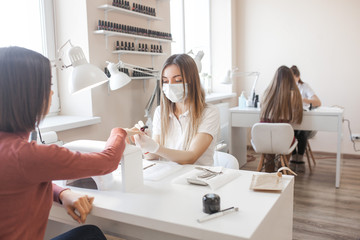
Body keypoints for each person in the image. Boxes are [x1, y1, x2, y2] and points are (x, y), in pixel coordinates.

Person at [0, 46, 136, 240]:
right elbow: (108, 162)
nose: (52, 94)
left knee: (90, 233)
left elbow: (21, 180)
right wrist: (119, 132)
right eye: (48, 86)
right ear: (29, 95)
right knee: (92, 234)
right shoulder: (28, 155)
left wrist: (62, 193)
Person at [134, 54, 220, 166]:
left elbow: (191, 157)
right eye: (165, 81)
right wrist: (144, 144)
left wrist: (155, 147)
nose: (170, 86)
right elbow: (153, 156)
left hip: (197, 177)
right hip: (169, 175)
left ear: (192, 81)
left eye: (178, 80)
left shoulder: (209, 112)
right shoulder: (161, 112)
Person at [260, 65, 303, 172]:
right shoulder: (294, 94)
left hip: (265, 139)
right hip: (283, 139)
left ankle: (268, 173)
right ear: (290, 78)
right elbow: (296, 119)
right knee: (286, 139)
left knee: (269, 150)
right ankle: (282, 167)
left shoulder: (266, 93)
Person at [290, 65, 321, 173]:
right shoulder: (287, 87)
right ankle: (294, 157)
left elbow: (318, 102)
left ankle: (300, 157)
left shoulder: (304, 87)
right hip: (292, 121)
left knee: (301, 132)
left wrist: (302, 99)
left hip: (304, 120)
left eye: (292, 77)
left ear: (298, 77)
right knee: (290, 131)